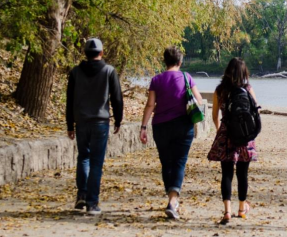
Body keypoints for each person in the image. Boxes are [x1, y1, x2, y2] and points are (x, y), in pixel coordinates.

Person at [139, 46, 203, 220]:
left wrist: (143, 127)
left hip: (161, 126)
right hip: (183, 125)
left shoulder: (156, 79)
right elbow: (199, 100)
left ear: (165, 61)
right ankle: (173, 200)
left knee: (166, 163)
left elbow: (150, 105)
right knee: (179, 162)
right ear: (180, 62)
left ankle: (171, 198)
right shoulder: (186, 77)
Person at [66, 38, 124, 215]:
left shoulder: (75, 72)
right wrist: (118, 120)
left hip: (82, 122)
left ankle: (81, 195)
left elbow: (70, 101)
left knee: (83, 157)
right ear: (102, 52)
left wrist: (70, 124)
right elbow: (117, 99)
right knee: (96, 163)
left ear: (85, 54)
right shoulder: (109, 71)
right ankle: (92, 203)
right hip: (100, 123)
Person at [207, 58, 259, 225]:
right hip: (244, 136)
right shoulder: (248, 89)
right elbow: (255, 113)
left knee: (226, 174)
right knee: (242, 174)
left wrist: (220, 131)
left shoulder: (220, 90)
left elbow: (214, 115)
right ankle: (242, 209)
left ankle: (227, 211)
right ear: (244, 73)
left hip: (226, 134)